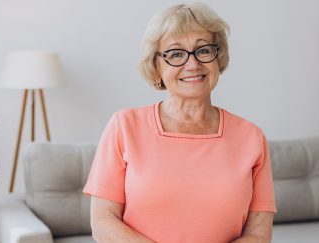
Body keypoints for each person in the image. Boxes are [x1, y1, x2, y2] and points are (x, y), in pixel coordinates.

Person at [83, 2, 277, 243]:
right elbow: (103, 222)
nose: (192, 64)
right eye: (176, 54)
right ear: (157, 66)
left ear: (219, 57)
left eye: (203, 50)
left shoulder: (252, 137)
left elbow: (259, 234)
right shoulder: (124, 126)